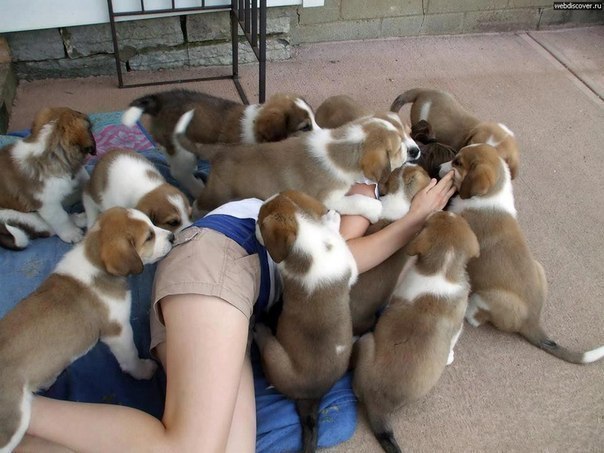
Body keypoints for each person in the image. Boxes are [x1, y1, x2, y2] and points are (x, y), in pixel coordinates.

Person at [20, 172, 455, 453]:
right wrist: (410, 218)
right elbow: (341, 259)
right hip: (218, 264)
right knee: (192, 447)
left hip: (227, 300)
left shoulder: (328, 226)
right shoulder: (325, 204)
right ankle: (15, 410)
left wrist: (408, 218)